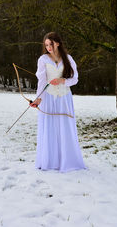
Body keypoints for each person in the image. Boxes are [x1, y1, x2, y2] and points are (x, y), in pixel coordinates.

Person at [30, 32, 86, 173]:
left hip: (64, 97)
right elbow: (42, 81)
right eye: (47, 45)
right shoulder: (43, 59)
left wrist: (63, 81)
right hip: (48, 97)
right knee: (49, 127)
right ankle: (50, 161)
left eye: (51, 44)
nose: (49, 47)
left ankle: (67, 160)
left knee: (65, 127)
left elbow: (75, 79)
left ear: (58, 43)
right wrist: (38, 98)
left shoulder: (68, 59)